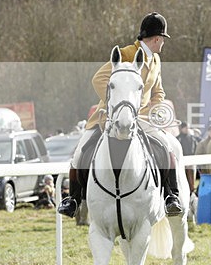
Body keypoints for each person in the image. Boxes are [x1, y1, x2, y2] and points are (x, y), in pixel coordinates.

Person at [58, 12, 182, 219]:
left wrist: (157, 109)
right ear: (156, 38)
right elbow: (99, 79)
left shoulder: (156, 60)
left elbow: (158, 91)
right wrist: (116, 106)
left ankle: (171, 196)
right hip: (112, 116)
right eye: (163, 39)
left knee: (167, 147)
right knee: (80, 151)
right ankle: (73, 199)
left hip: (143, 119)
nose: (163, 44)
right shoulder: (125, 54)